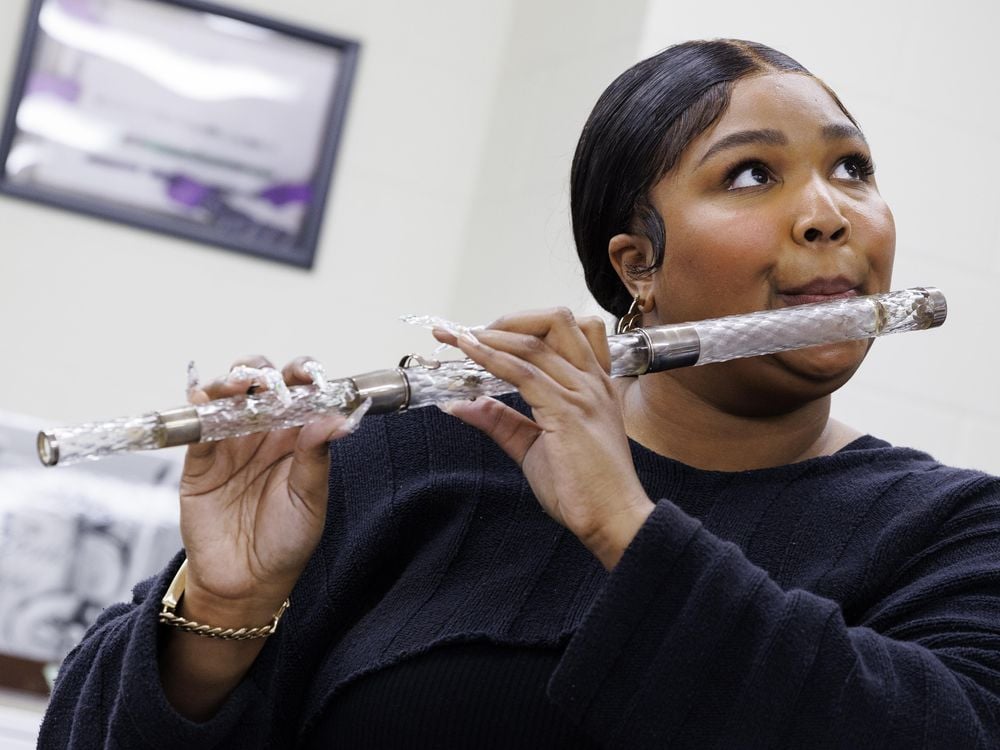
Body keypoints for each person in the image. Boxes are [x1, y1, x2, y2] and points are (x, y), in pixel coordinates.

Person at [39, 39, 1000, 748]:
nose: (830, 214)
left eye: (853, 169)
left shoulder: (953, 533)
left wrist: (626, 526)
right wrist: (223, 606)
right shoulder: (404, 461)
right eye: (753, 174)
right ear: (637, 265)